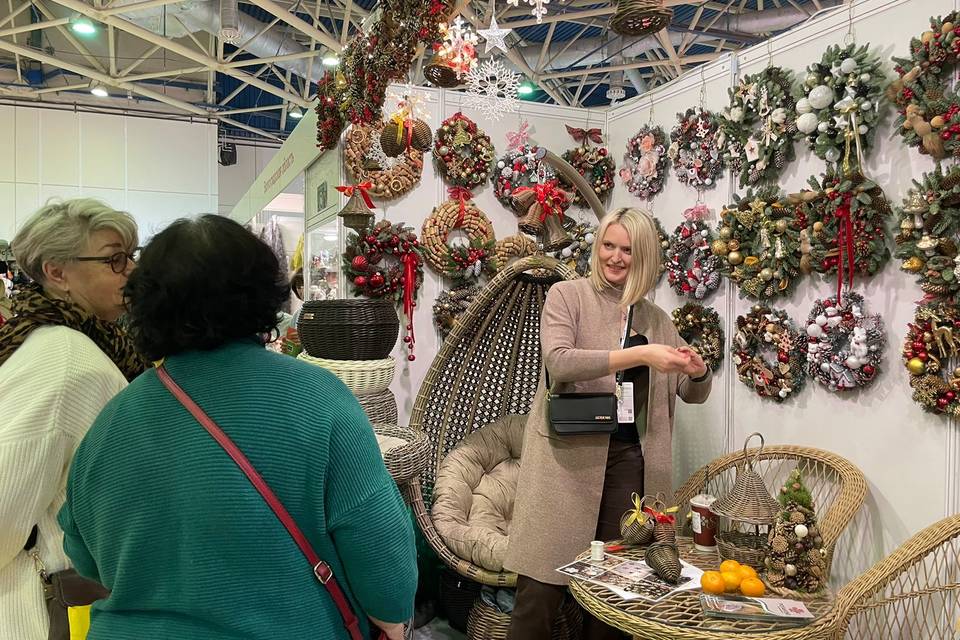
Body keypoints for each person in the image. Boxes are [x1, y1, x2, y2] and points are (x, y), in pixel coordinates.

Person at [57, 214, 416, 640]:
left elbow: (85, 553)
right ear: (264, 294)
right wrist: (394, 619)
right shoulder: (320, 398)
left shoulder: (113, 419)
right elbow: (381, 556)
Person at [504, 208, 713, 640]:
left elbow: (692, 394)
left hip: (630, 466)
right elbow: (558, 361)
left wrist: (696, 371)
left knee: (616, 591)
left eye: (628, 250)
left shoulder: (657, 319)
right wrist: (641, 355)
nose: (615, 258)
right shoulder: (567, 296)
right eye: (608, 245)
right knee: (540, 592)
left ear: (645, 258)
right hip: (566, 459)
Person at [0, 199, 145, 639]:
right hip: (46, 610)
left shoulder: (71, 338)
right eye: (114, 259)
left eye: (130, 256)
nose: (131, 271)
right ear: (57, 272)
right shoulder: (66, 360)